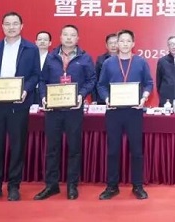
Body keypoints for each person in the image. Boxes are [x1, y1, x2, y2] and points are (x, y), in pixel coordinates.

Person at [0, 12, 40, 202]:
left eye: (15, 23)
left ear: (22, 26)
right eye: (7, 23)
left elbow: (35, 75)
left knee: (17, 146)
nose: (11, 27)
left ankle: (14, 185)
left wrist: (26, 90)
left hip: (18, 104)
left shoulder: (31, 48)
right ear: (2, 26)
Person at [34, 25, 96, 200]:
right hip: (53, 109)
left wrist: (81, 95)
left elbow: (92, 80)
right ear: (60, 37)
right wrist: (44, 97)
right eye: (66, 35)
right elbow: (42, 80)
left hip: (74, 109)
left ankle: (72, 185)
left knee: (74, 148)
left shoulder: (85, 58)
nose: (69, 38)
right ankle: (51, 185)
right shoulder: (51, 57)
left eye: (73, 35)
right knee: (52, 148)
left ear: (77, 38)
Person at [96, 29, 154, 200]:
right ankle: (112, 186)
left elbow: (149, 83)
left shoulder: (141, 62)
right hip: (114, 112)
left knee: (136, 150)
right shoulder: (108, 63)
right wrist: (107, 98)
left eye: (128, 41)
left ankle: (138, 186)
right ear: (117, 43)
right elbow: (101, 85)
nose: (125, 44)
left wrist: (144, 97)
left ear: (133, 43)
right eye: (122, 41)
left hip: (134, 111)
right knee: (113, 150)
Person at [93, 33, 118, 104]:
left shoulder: (125, 59)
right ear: (106, 45)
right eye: (110, 43)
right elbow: (95, 80)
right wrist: (94, 99)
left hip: (120, 95)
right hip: (103, 97)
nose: (113, 45)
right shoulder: (101, 60)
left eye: (115, 43)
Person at [33, 30, 53, 104]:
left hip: (46, 92)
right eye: (40, 39)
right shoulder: (30, 58)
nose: (42, 41)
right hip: (31, 92)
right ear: (36, 42)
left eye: (45, 40)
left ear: (50, 43)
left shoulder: (53, 59)